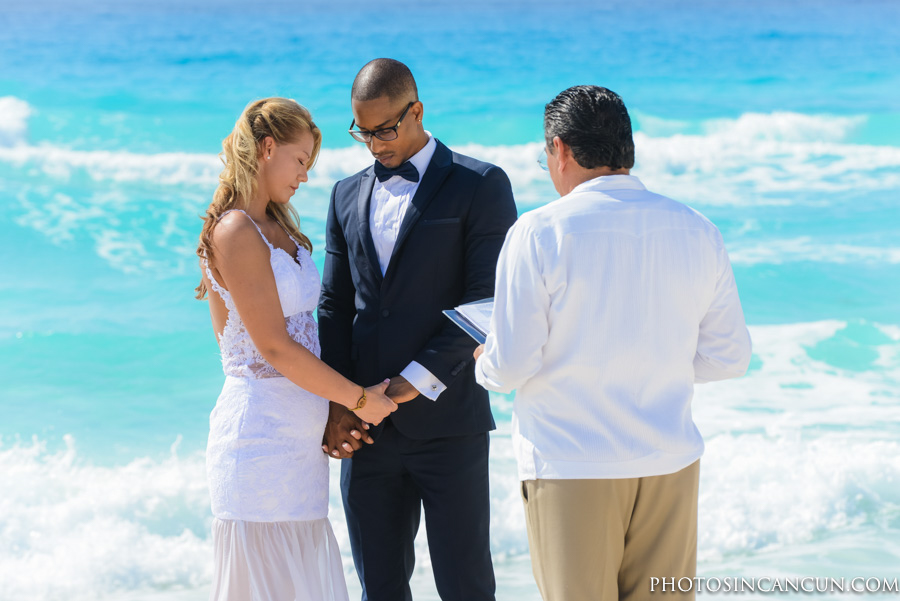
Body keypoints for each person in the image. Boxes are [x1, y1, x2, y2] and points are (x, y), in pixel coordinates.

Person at [473, 86, 752, 601]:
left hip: (572, 464)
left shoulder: (538, 232)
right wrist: (652, 357)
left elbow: (510, 368)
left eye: (545, 155)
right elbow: (729, 357)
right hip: (669, 461)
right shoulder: (697, 229)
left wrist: (485, 361)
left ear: (560, 149)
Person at [317, 58, 518, 601]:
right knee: (378, 589)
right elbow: (334, 306)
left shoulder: (480, 184)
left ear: (417, 111)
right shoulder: (343, 194)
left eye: (386, 129)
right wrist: (340, 404)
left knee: (466, 586)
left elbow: (485, 303)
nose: (375, 144)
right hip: (365, 430)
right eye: (363, 131)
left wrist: (406, 384)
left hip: (449, 424)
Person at [195, 97, 397, 601]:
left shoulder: (279, 228)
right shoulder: (235, 229)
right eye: (300, 159)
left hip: (298, 446)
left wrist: (329, 405)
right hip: (259, 441)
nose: (305, 175)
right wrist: (356, 398)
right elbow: (270, 348)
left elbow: (306, 328)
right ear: (268, 149)